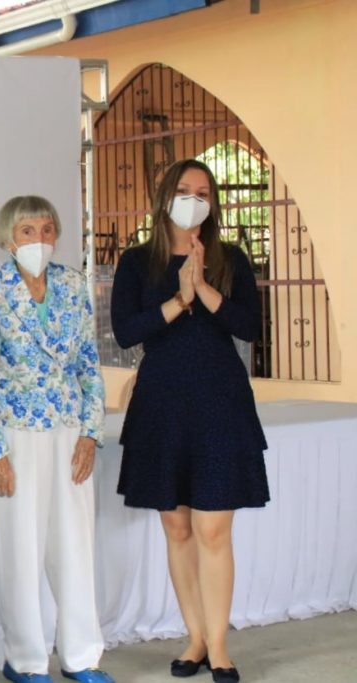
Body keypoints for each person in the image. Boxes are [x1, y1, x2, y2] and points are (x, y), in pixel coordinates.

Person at [111, 159, 268, 683]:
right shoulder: (137, 262)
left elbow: (249, 326)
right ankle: (195, 638)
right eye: (183, 190)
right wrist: (179, 297)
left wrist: (203, 287)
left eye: (203, 192)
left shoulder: (232, 259)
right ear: (165, 197)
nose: (193, 199)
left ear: (213, 202)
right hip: (162, 404)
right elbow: (128, 330)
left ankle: (220, 646)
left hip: (220, 401)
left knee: (213, 528)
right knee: (177, 527)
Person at [0, 195, 112, 683]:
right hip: (15, 433)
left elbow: (89, 365)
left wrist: (91, 433)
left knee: (74, 546)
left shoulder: (72, 285)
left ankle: (81, 657)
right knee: (19, 548)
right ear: (7, 238)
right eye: (28, 231)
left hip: (69, 430)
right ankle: (24, 660)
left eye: (48, 229)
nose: (40, 240)